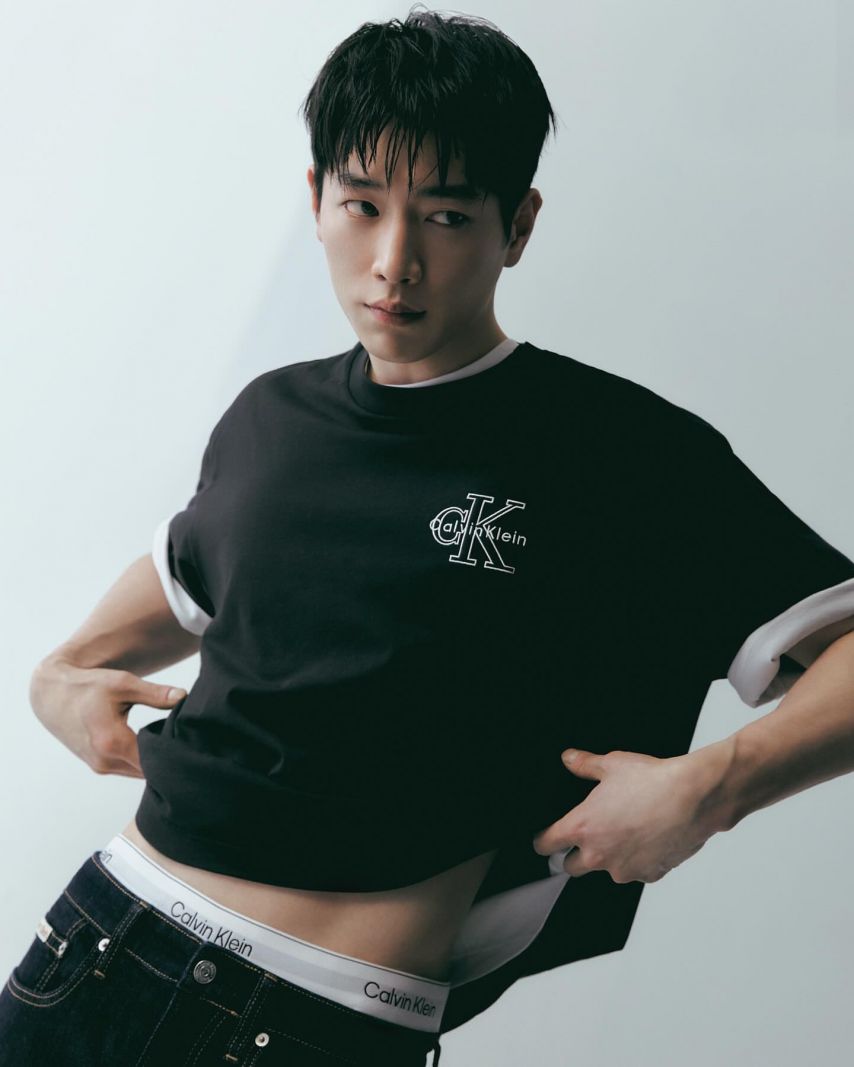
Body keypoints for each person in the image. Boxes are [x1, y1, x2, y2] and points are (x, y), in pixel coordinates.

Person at [5, 5, 854, 1065]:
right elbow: (192, 572)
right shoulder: (270, 420)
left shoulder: (621, 452)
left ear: (518, 224)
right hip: (91, 953)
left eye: (446, 216)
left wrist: (709, 787)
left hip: (318, 1022)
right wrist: (57, 676)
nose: (393, 262)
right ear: (316, 200)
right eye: (362, 206)